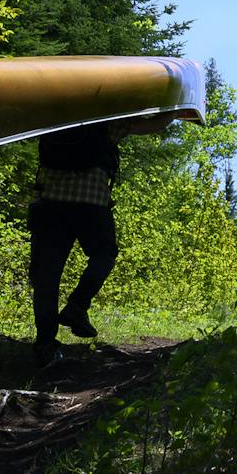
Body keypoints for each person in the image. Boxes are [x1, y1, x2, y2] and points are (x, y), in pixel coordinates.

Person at [29, 114, 173, 368]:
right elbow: (154, 124)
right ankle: (77, 306)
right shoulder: (105, 121)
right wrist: (175, 110)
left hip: (50, 203)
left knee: (46, 276)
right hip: (91, 204)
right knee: (104, 254)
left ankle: (45, 344)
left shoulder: (50, 115)